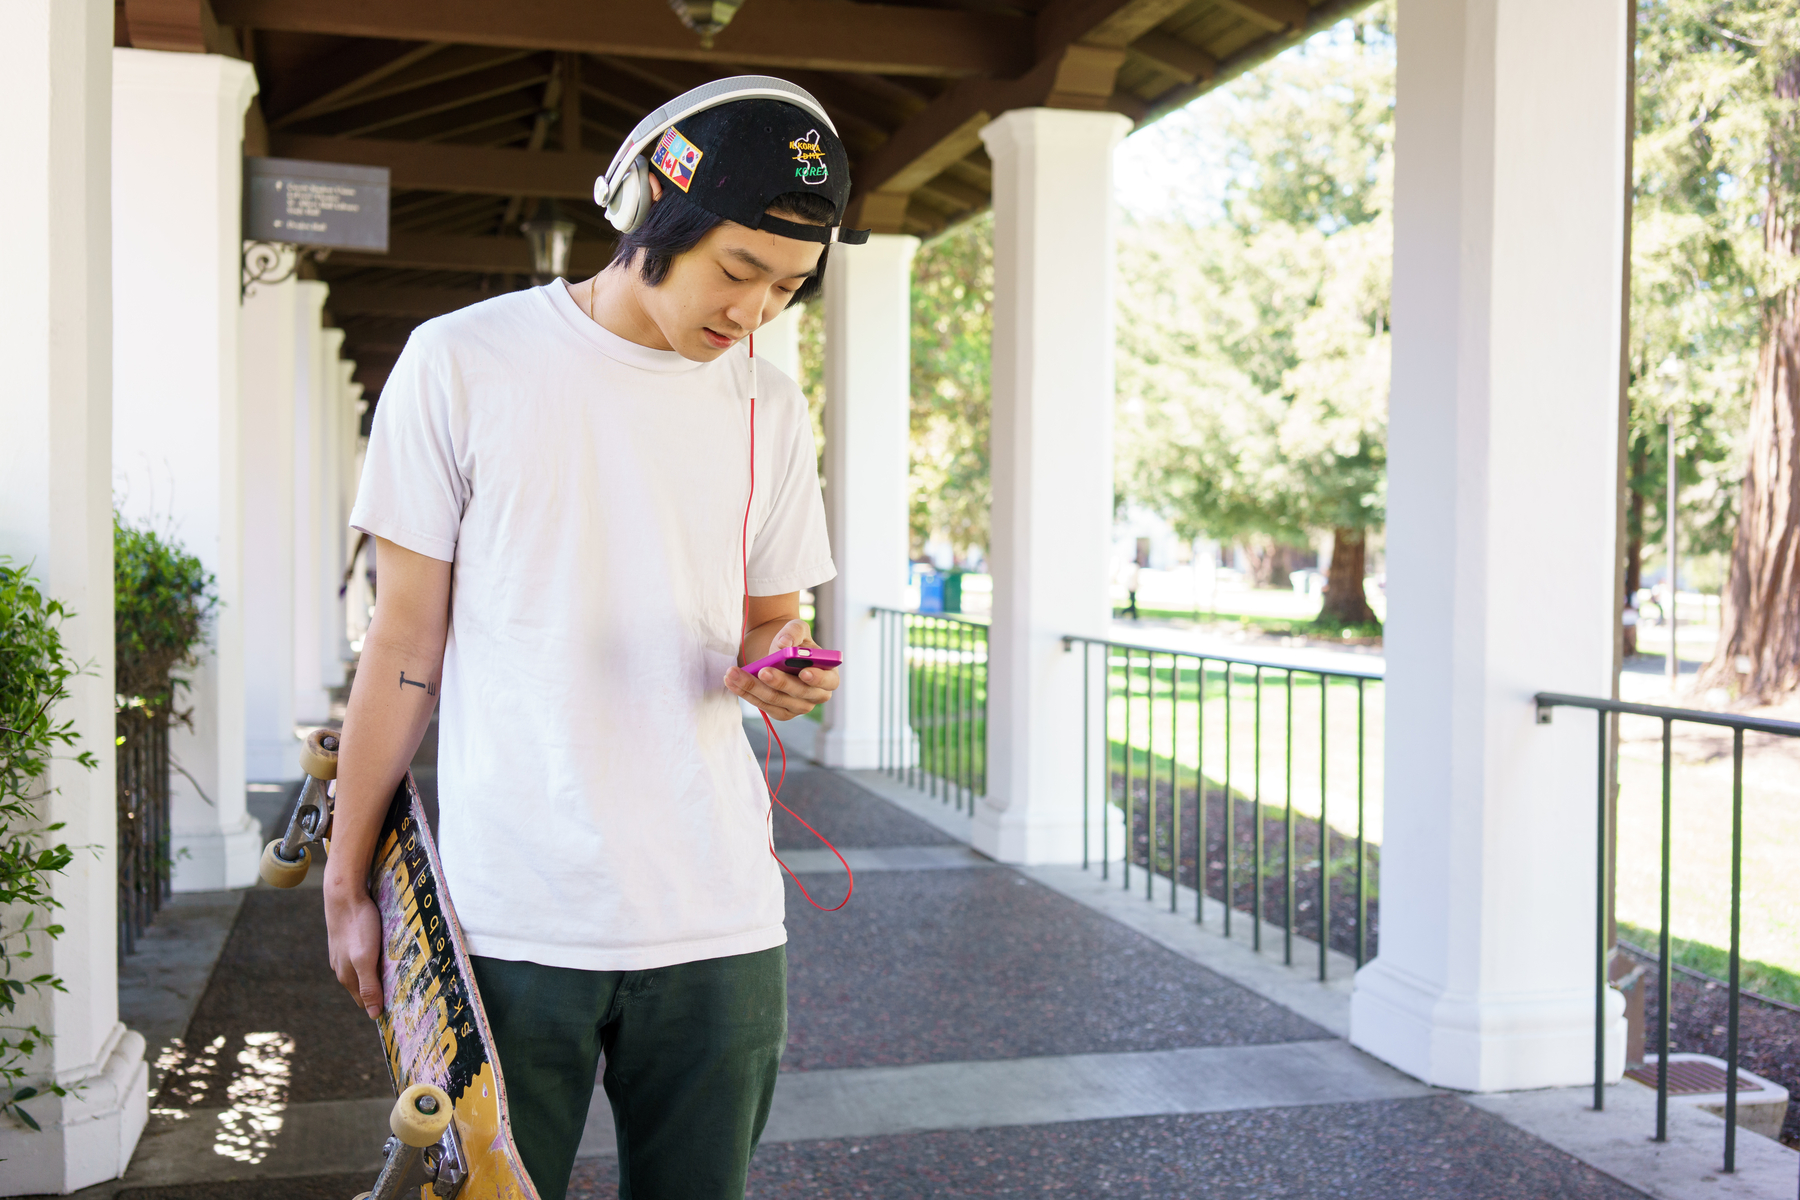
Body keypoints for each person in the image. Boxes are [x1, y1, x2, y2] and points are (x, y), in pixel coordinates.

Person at [322, 83, 863, 1200]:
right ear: (652, 219)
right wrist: (349, 873)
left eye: (788, 287)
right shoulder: (462, 360)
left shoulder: (768, 402)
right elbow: (405, 643)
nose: (756, 311)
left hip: (720, 921)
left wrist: (780, 666)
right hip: (516, 918)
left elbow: (769, 618)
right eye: (737, 268)